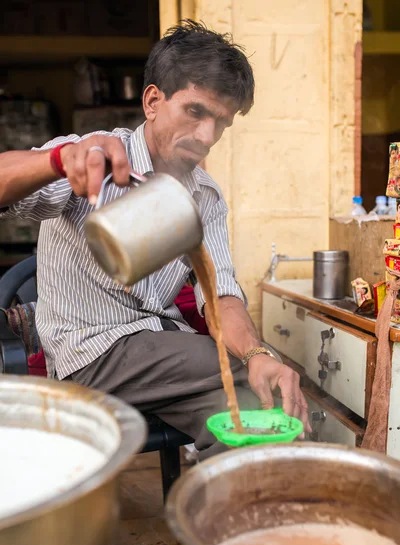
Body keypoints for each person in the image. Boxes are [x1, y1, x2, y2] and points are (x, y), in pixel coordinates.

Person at [0, 21, 311, 458]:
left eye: (220, 122)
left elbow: (219, 294)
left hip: (164, 349)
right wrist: (55, 161)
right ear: (152, 101)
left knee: (263, 412)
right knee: (234, 378)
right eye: (196, 112)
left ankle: (239, 515)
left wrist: (257, 351)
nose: (207, 137)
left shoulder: (204, 195)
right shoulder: (92, 157)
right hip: (91, 352)